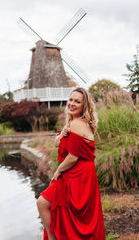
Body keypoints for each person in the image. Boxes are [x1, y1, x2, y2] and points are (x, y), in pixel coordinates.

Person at [37, 87, 105, 240]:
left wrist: (58, 171)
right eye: (71, 100)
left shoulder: (77, 124)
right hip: (80, 172)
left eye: (77, 101)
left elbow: (73, 157)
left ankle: (53, 238)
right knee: (63, 211)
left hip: (77, 173)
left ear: (84, 106)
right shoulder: (74, 122)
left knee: (43, 203)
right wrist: (63, 134)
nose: (72, 103)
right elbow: (56, 144)